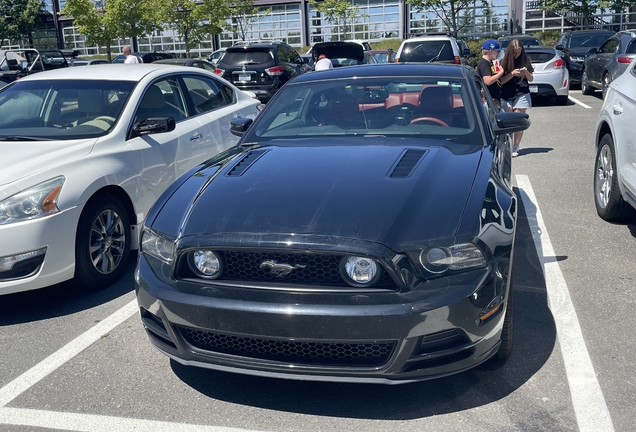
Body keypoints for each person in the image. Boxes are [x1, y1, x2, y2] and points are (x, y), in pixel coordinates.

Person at [499, 39, 534, 157]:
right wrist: (512, 74)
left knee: (518, 120)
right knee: (509, 122)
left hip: (522, 93)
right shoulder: (503, 62)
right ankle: (507, 144)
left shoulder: (525, 60)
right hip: (506, 94)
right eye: (514, 52)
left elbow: (531, 79)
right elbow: (501, 81)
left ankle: (516, 146)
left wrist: (525, 73)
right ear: (510, 51)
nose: (516, 54)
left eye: (518, 52)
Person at [476, 39, 505, 107]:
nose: (498, 53)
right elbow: (487, 81)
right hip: (489, 99)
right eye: (497, 51)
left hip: (495, 97)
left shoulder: (490, 62)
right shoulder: (484, 63)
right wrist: (501, 72)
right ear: (491, 51)